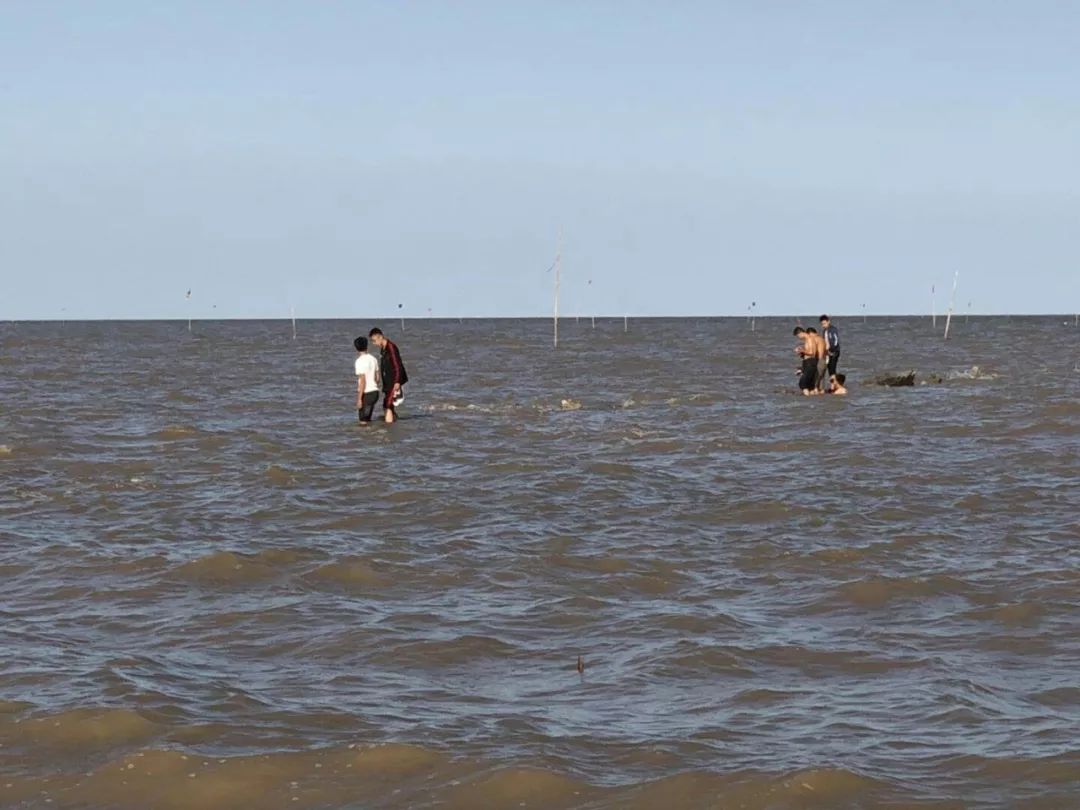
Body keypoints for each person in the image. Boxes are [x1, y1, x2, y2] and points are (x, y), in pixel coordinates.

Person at [369, 327, 408, 424]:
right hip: (387, 381)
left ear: (380, 337)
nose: (374, 344)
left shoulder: (391, 348)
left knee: (388, 404)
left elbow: (397, 365)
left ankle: (389, 427)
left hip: (394, 381)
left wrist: (398, 381)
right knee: (386, 404)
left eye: (374, 341)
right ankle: (394, 422)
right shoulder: (383, 348)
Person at [354, 336, 380, 423]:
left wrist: (359, 399)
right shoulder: (373, 359)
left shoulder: (359, 361)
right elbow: (377, 378)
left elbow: (362, 381)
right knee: (368, 418)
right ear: (366, 346)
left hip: (367, 393)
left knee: (363, 420)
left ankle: (365, 436)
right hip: (375, 393)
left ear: (356, 348)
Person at [793, 327, 819, 395]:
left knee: (802, 384)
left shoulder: (809, 339)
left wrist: (801, 350)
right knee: (810, 386)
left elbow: (811, 353)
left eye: (798, 336)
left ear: (800, 333)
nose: (799, 338)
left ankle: (807, 398)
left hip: (810, 363)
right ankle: (812, 401)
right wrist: (802, 352)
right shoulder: (808, 340)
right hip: (810, 362)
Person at [806, 327, 828, 393]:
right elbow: (826, 351)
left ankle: (815, 400)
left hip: (819, 361)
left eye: (809, 335)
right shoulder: (822, 339)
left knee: (815, 384)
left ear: (810, 333)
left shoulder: (815, 339)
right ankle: (821, 400)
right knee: (821, 383)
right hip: (824, 361)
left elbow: (814, 353)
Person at [820, 315, 840, 387]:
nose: (823, 325)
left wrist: (831, 347)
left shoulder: (833, 329)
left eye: (825, 323)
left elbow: (836, 341)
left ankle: (834, 386)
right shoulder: (824, 331)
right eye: (822, 324)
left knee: (832, 370)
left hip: (834, 352)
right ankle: (833, 385)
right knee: (829, 370)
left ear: (828, 321)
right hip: (828, 353)